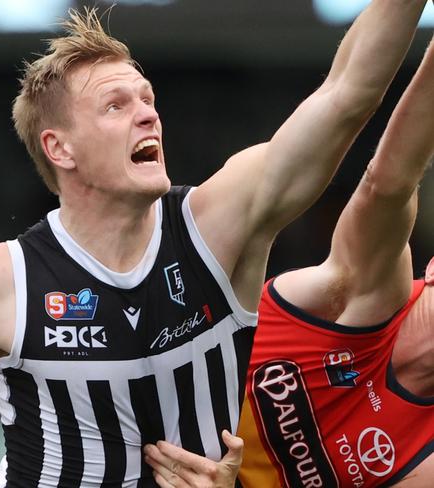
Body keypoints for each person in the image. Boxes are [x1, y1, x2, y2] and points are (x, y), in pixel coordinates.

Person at [0, 2, 429, 486]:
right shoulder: (4, 280)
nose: (147, 115)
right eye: (116, 105)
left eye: (147, 98)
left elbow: (346, 93)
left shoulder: (214, 229)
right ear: (60, 149)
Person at [144, 33, 434, 488]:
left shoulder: (425, 461)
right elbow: (391, 180)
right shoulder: (368, 294)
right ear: (432, 269)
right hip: (126, 422)